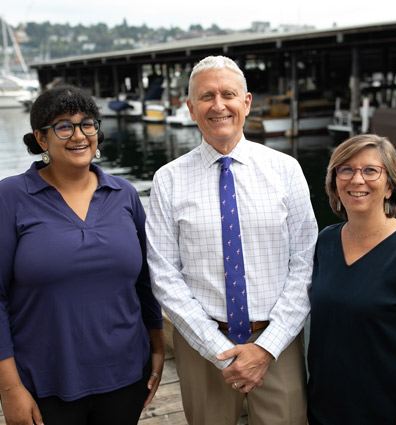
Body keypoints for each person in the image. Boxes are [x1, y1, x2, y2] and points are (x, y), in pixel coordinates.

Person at [146, 55, 318, 425]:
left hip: (277, 342)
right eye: (207, 96)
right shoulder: (168, 180)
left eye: (228, 94)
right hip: (201, 343)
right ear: (191, 108)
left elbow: (305, 263)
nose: (219, 105)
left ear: (247, 102)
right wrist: (216, 347)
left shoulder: (286, 170)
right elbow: (163, 274)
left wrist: (266, 348)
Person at [0, 85, 165, 425]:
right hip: (44, 382)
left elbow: (144, 283)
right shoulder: (11, 197)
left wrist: (159, 348)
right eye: (64, 125)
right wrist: (9, 387)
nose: (79, 135)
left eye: (87, 124)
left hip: (126, 376)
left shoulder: (124, 194)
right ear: (41, 139)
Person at [307, 134, 396, 425]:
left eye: (370, 170)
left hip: (387, 414)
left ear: (390, 186)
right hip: (324, 413)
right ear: (334, 182)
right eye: (345, 169)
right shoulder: (325, 242)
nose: (356, 179)